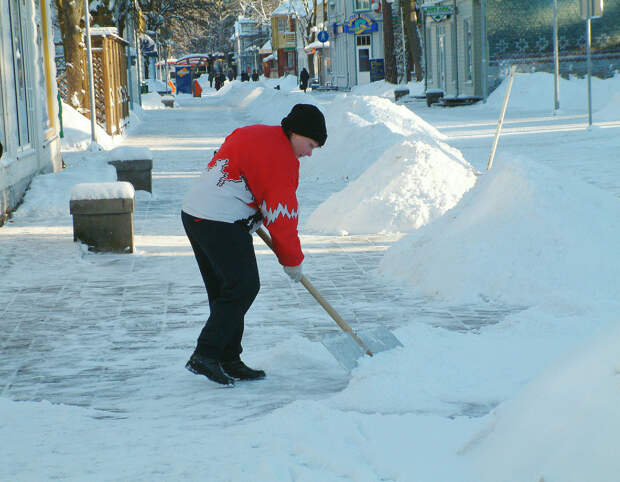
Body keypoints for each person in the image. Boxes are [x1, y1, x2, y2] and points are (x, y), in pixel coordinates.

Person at [181, 104, 328, 386]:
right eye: (310, 144)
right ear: (295, 132)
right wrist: (292, 261)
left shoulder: (253, 133)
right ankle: (206, 353)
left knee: (225, 290)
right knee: (243, 286)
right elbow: (282, 217)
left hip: (194, 213)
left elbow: (227, 155)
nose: (309, 153)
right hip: (219, 220)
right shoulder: (282, 159)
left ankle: (228, 358)